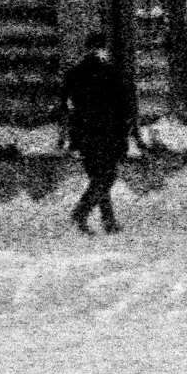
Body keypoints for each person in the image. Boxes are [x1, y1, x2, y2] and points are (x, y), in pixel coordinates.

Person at [61, 34, 133, 235]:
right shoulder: (111, 73)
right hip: (107, 134)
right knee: (107, 178)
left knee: (97, 177)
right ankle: (81, 212)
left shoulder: (73, 74)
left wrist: (71, 135)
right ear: (102, 50)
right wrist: (124, 134)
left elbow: (65, 106)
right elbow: (124, 108)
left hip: (84, 135)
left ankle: (108, 221)